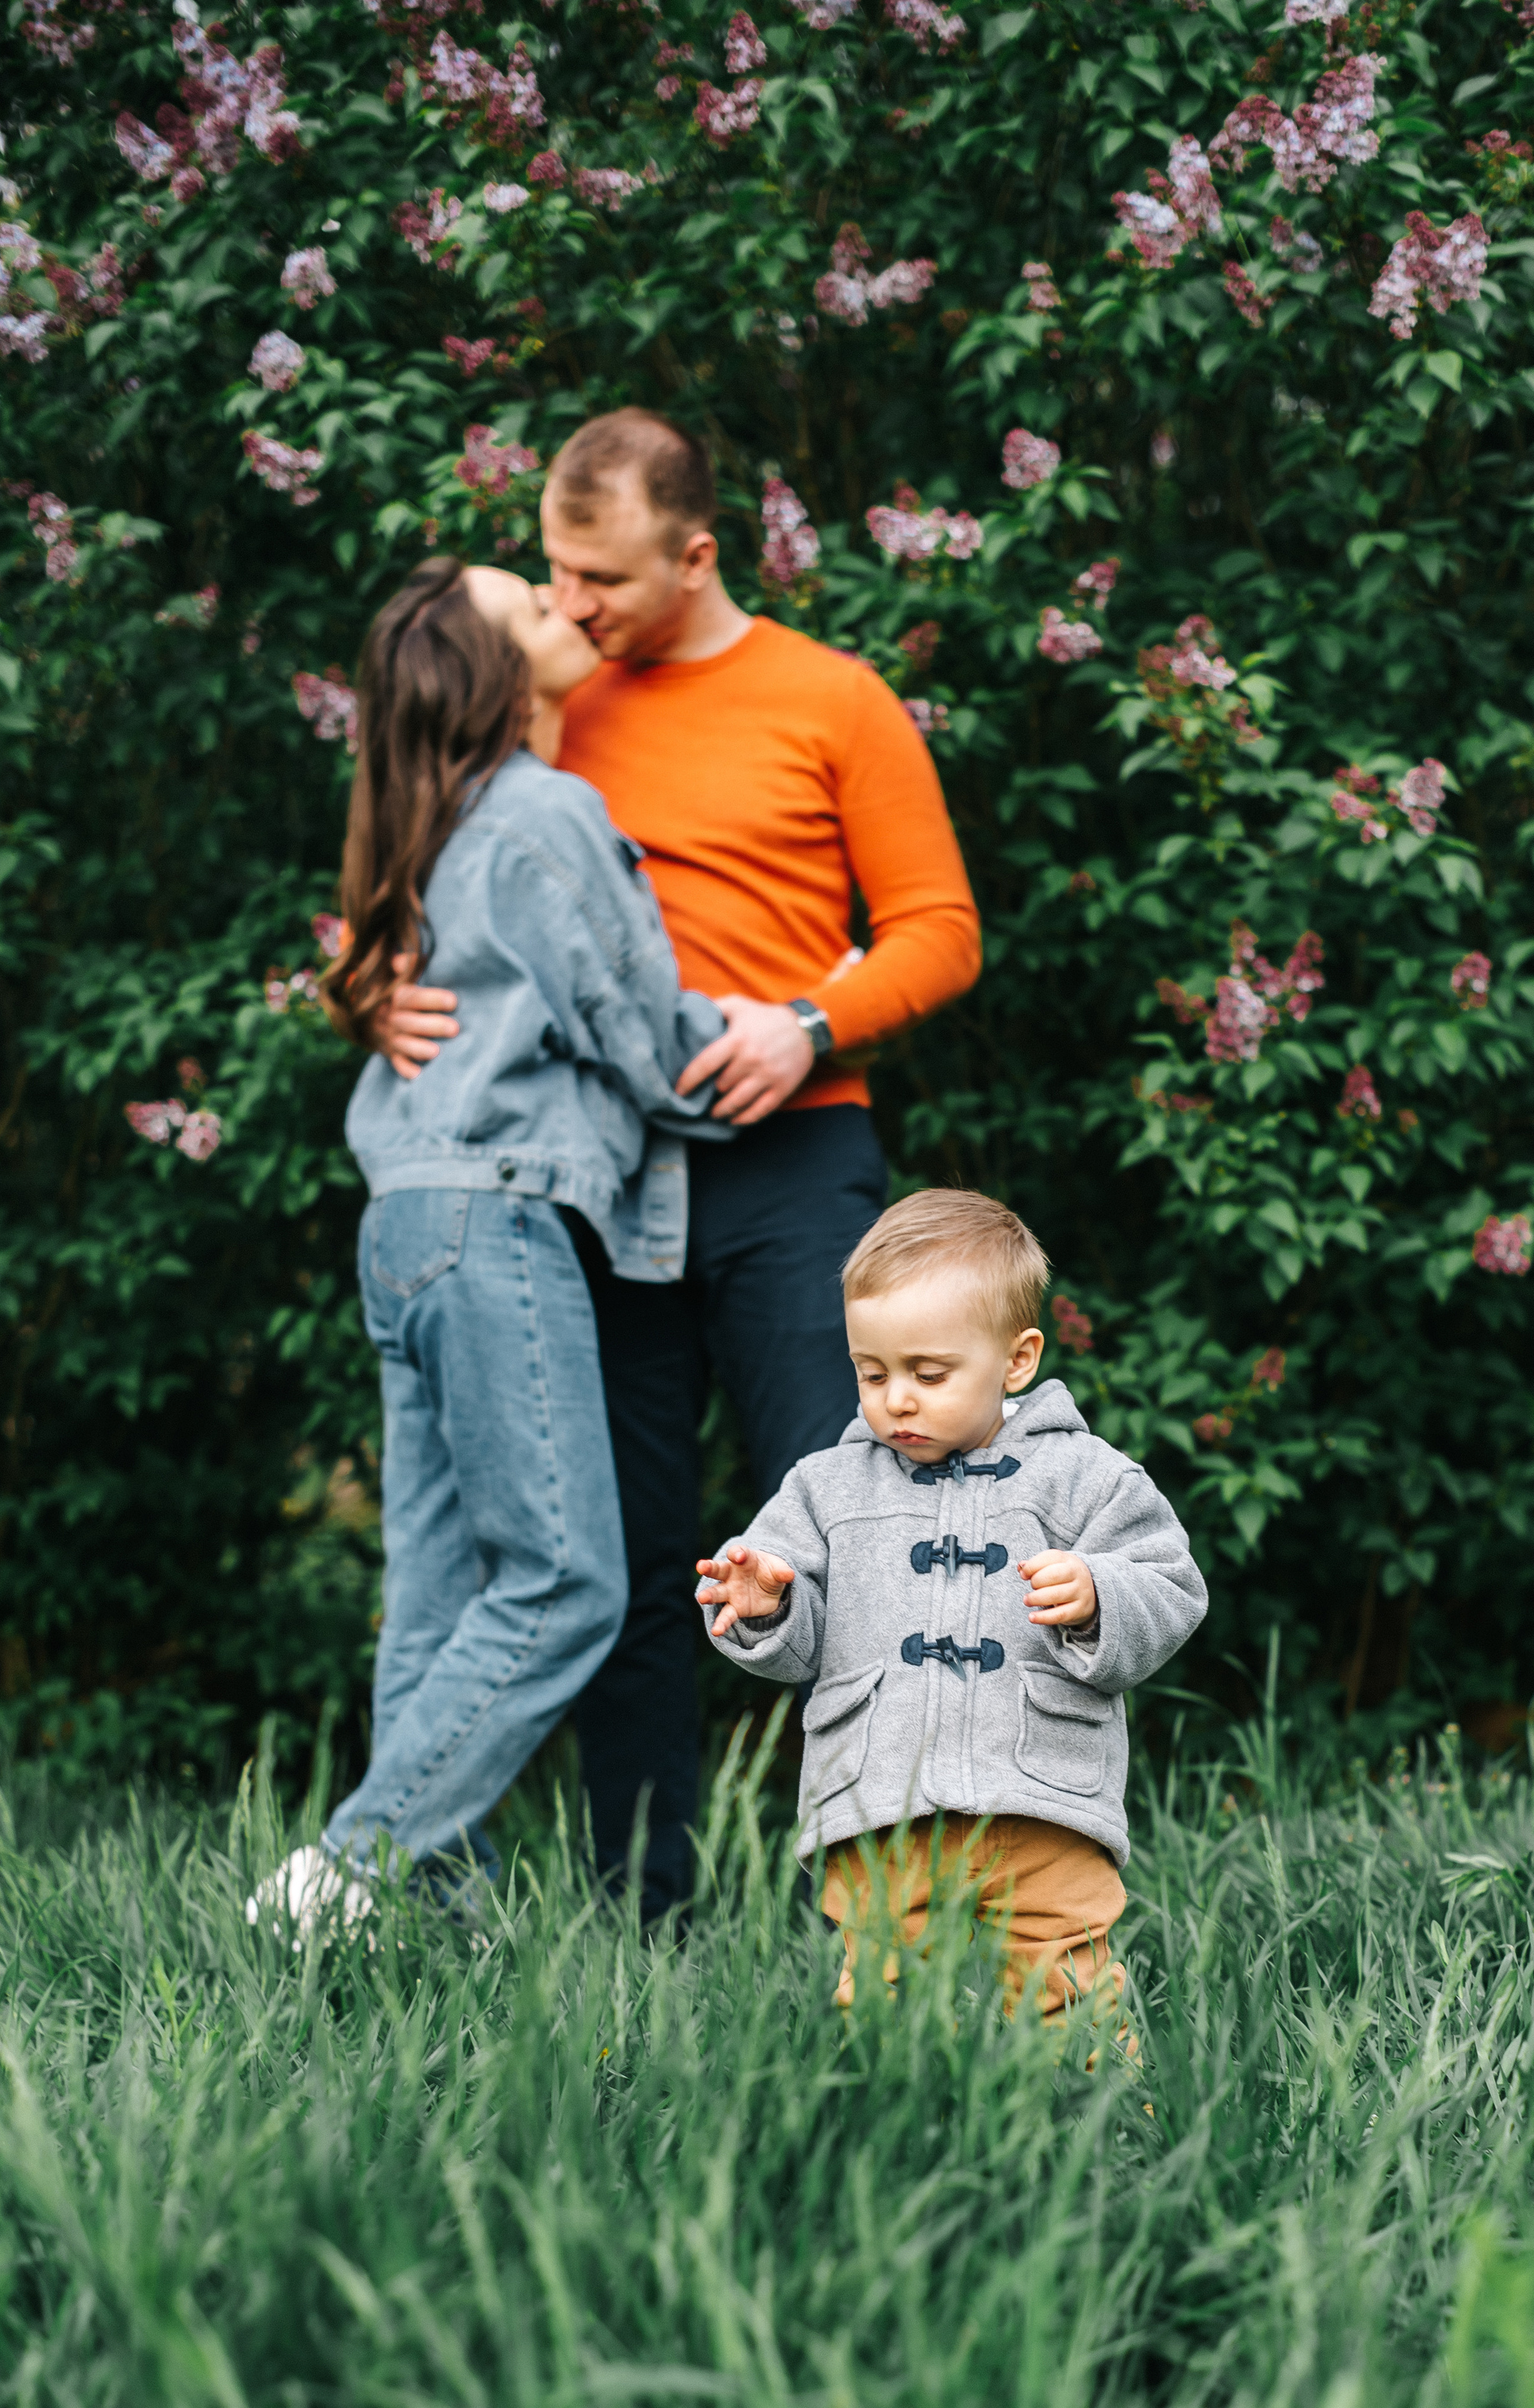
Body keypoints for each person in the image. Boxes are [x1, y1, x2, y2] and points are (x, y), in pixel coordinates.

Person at [376, 409, 983, 1921]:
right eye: (552, 574)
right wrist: (370, 980)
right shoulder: (545, 703)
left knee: (842, 1524)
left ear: (696, 553)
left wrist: (806, 1024)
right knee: (632, 1562)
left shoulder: (833, 700)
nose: (569, 605)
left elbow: (941, 930)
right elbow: (425, 862)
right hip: (595, 1180)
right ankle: (641, 1911)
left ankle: (868, 1893)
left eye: (600, 578)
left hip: (796, 1163)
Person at [246, 558, 730, 1936]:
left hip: (403, 1224)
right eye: (534, 608)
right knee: (567, 1579)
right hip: (495, 1217)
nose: (566, 613)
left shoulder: (432, 823)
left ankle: (420, 1928)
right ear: (496, 676)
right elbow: (640, 1027)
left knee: (440, 1594)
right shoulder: (543, 814)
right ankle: (346, 1869)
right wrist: (777, 1034)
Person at [695, 1189, 1207, 2011]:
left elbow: (1173, 1586)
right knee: (883, 1990)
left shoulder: (1085, 1477)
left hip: (1041, 1797)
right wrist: (766, 1609)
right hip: (882, 1802)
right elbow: (800, 1642)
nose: (897, 1396)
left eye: (929, 1373)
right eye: (872, 1371)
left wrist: (1099, 1597)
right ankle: (892, 2123)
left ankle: (1096, 2126)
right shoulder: (826, 1488)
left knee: (1065, 1985)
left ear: (1017, 1359)